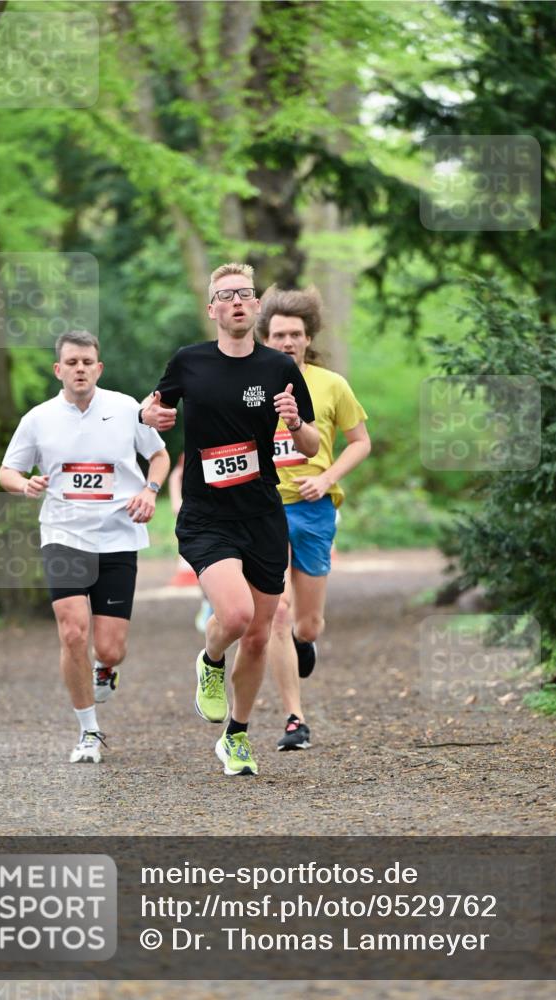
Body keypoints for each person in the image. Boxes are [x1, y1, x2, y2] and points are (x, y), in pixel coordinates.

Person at [141, 263, 319, 777]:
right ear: (212, 308)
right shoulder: (188, 362)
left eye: (246, 294)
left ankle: (236, 736)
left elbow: (309, 446)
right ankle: (211, 659)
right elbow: (151, 409)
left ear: (257, 305)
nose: (238, 302)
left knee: (263, 634)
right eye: (227, 295)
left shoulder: (278, 369)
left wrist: (295, 422)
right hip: (206, 516)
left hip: (262, 514)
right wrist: (147, 416)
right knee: (236, 617)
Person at [0, 331, 171, 763]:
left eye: (87, 361)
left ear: (99, 368)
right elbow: (7, 470)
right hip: (64, 533)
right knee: (72, 629)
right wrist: (25, 484)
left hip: (117, 534)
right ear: (58, 370)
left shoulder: (127, 409)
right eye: (71, 362)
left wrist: (149, 491)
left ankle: (106, 668)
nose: (79, 368)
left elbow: (161, 457)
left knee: (110, 647)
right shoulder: (38, 418)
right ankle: (89, 732)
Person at [257, 286, 370, 750]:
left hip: (314, 509)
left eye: (295, 334)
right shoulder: (251, 385)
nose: (287, 342)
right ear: (266, 338)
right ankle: (294, 719)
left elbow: (360, 442)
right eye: (279, 334)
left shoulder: (331, 385)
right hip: (264, 509)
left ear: (308, 338)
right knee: (276, 613)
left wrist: (326, 480)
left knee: (307, 624)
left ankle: (306, 644)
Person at [168, 453, 213, 632]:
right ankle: (207, 603)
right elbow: (175, 508)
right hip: (193, 525)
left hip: (212, 521)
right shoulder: (178, 474)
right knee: (203, 569)